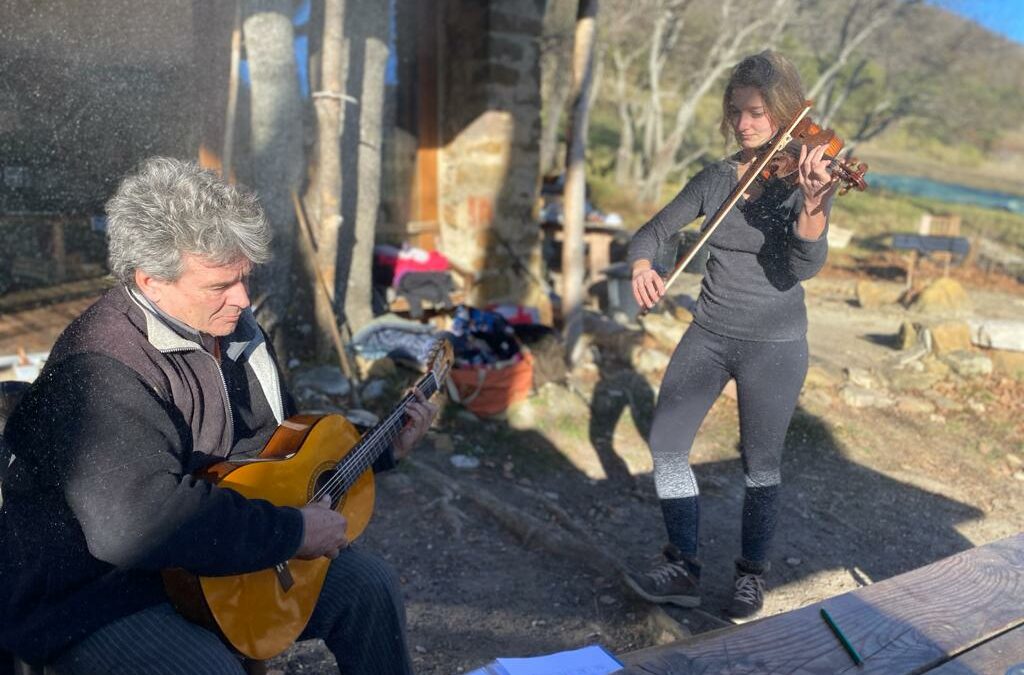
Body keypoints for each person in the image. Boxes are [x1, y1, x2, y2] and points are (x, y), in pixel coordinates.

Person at [0, 157, 439, 674]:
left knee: (369, 587)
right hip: (96, 593)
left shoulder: (234, 330)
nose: (243, 298)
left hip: (211, 565)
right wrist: (292, 533)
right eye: (220, 285)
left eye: (244, 278)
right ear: (150, 280)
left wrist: (381, 450)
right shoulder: (101, 365)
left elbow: (279, 450)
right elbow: (135, 525)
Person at [624, 50, 837, 622]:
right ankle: (684, 566)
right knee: (667, 444)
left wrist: (813, 203)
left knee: (760, 464)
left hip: (776, 344)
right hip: (710, 331)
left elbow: (804, 264)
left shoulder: (803, 178)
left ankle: (750, 575)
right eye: (738, 111)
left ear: (786, 113)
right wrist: (645, 264)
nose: (745, 124)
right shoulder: (717, 177)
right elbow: (655, 230)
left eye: (760, 113)